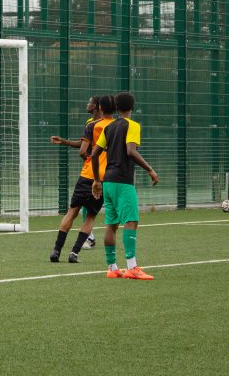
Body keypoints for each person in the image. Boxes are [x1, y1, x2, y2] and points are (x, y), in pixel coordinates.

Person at [91, 91, 158, 280]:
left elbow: (95, 154)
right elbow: (131, 151)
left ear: (117, 108)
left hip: (108, 181)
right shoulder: (133, 125)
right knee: (131, 221)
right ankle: (132, 267)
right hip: (122, 181)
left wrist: (97, 180)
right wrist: (150, 169)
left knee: (111, 225)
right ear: (132, 107)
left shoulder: (109, 128)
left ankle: (112, 268)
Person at [49, 95, 115, 263]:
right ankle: (74, 253)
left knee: (72, 212)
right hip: (104, 178)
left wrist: (88, 159)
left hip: (87, 174)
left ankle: (56, 251)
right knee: (91, 216)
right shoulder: (118, 126)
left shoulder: (92, 126)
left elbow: (83, 150)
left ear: (99, 107)